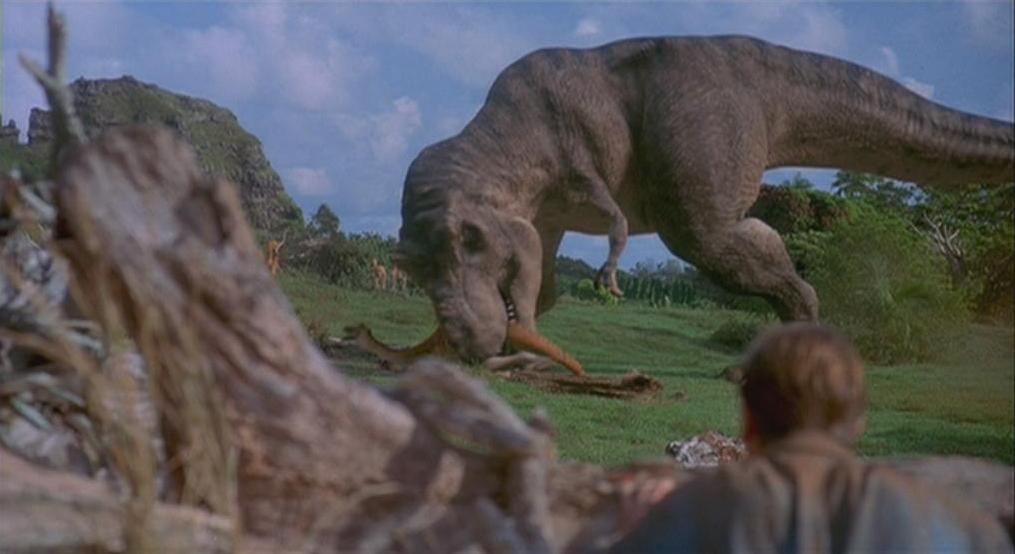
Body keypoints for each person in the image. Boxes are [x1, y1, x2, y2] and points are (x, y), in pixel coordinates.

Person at [610, 323, 1012, 554]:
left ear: (748, 421)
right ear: (857, 423)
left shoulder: (692, 509)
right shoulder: (953, 524)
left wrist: (629, 529)